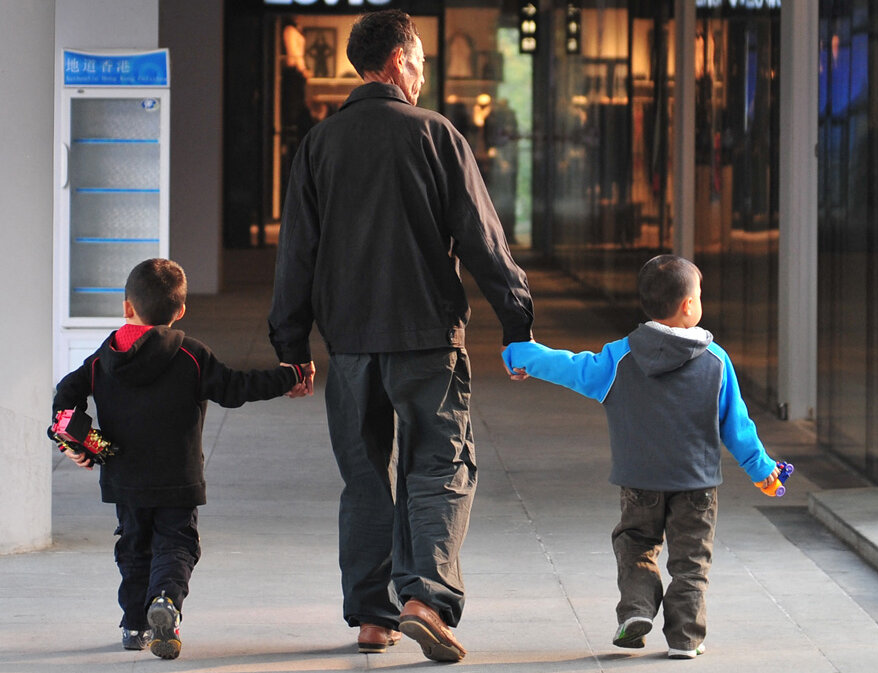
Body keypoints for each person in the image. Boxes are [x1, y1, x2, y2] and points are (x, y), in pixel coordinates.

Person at [268, 8, 534, 663]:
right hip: (426, 339)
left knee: (365, 478)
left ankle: (372, 617)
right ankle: (425, 599)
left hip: (352, 345)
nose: (422, 73)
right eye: (418, 61)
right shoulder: (437, 135)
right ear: (395, 62)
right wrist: (517, 321)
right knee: (441, 466)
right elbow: (483, 240)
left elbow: (296, 253)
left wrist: (291, 346)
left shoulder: (319, 145)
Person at [502, 254, 782, 660]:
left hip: (639, 482)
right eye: (699, 295)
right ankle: (685, 639)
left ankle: (636, 611)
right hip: (697, 484)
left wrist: (521, 355)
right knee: (691, 562)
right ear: (688, 305)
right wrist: (764, 472)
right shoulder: (717, 362)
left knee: (635, 544)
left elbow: (568, 366)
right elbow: (737, 428)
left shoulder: (619, 357)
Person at [51, 258, 305, 660]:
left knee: (134, 548)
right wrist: (290, 376)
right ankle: (166, 600)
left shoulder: (102, 359)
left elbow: (64, 401)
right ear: (180, 310)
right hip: (177, 478)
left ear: (126, 307)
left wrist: (84, 444)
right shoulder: (191, 355)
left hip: (124, 479)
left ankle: (135, 625)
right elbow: (237, 388)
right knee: (177, 543)